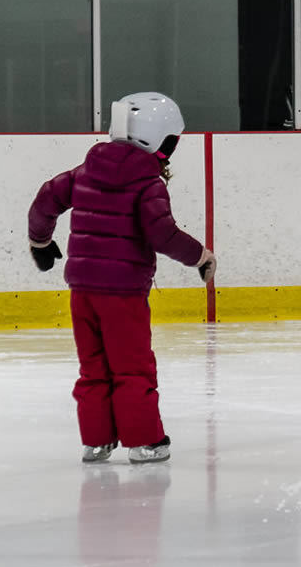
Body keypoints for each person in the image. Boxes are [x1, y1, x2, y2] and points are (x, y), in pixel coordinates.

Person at [28, 92, 217, 464]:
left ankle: (96, 441)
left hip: (82, 290)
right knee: (132, 367)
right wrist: (201, 256)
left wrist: (40, 240)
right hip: (124, 295)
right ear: (161, 139)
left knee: (94, 366)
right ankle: (144, 441)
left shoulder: (85, 170)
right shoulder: (148, 184)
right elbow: (161, 235)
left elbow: (46, 199)